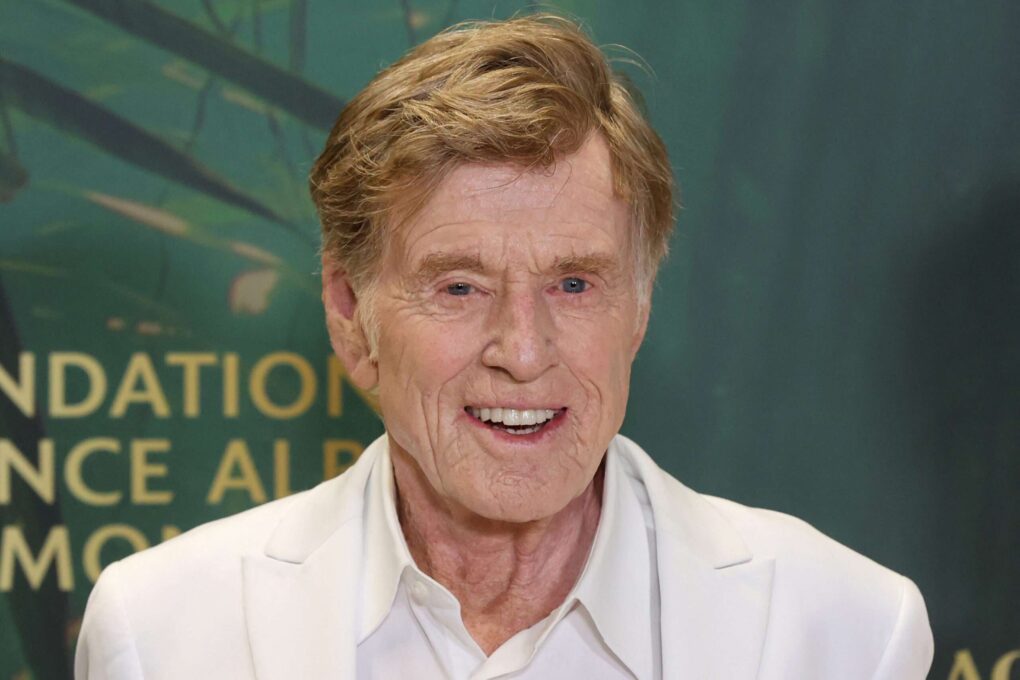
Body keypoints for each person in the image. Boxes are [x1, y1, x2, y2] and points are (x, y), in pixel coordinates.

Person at [75, 15, 933, 680]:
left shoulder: (844, 631)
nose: (523, 351)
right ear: (349, 311)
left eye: (574, 283)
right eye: (460, 287)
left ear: (638, 306)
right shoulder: (163, 633)